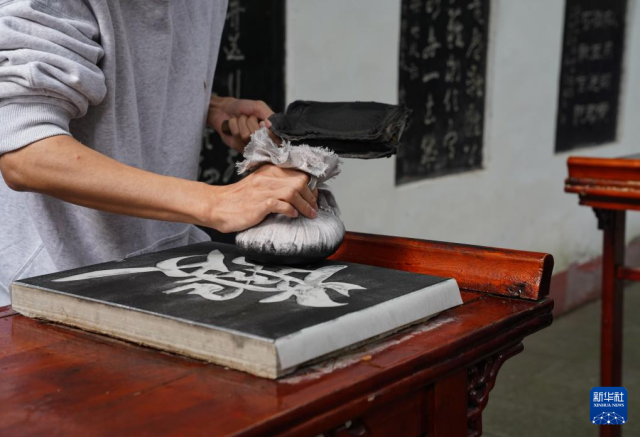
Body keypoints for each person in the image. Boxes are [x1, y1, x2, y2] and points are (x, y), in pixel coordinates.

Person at [0, 1, 318, 306]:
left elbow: (116, 63)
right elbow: (26, 153)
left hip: (167, 264)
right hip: (52, 283)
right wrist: (218, 202)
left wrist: (210, 106)